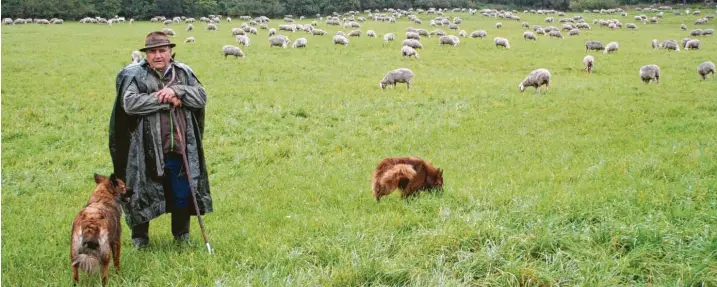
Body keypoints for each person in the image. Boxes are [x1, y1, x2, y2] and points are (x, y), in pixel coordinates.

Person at [109, 31, 213, 248]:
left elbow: (201, 96)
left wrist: (177, 91)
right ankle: (140, 239)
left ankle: (181, 236)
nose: (158, 55)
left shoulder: (184, 73)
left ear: (170, 52)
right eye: (152, 51)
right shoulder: (136, 76)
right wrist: (165, 99)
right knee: (140, 193)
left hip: (178, 146)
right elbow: (130, 104)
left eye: (162, 50)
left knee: (183, 191)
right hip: (144, 149)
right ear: (146, 54)